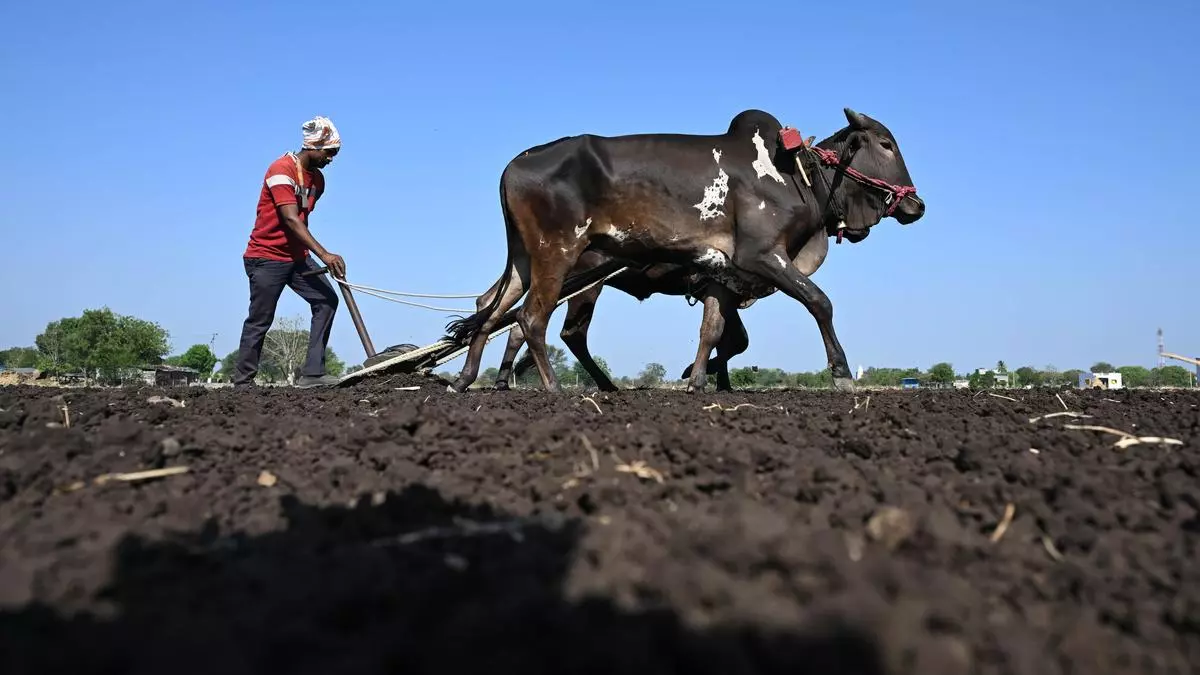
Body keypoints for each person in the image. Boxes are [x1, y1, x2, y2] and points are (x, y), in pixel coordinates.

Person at [233, 115, 347, 389]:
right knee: (261, 318)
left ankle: (313, 373)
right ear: (314, 147)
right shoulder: (280, 169)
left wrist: (312, 255)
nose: (331, 159)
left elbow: (302, 220)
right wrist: (325, 255)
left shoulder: (317, 181)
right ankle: (243, 383)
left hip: (297, 258)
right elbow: (291, 219)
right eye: (329, 152)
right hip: (266, 257)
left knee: (327, 301)